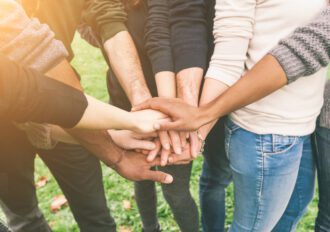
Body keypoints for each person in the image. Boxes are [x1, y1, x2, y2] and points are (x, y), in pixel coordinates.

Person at [134, 4, 330, 231]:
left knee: (292, 210)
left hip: (305, 122)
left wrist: (200, 120)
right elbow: (227, 56)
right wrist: (199, 126)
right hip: (268, 133)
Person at [0, 1, 172, 232]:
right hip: (25, 121)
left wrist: (141, 103)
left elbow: (106, 16)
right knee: (24, 219)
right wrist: (114, 150)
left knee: (96, 218)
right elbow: (27, 68)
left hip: (66, 104)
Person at [91, 0, 213, 231]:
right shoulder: (100, 7)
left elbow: (168, 38)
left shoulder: (160, 6)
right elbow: (95, 33)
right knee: (141, 176)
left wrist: (169, 107)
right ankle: (150, 228)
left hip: (166, 106)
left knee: (175, 190)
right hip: (124, 105)